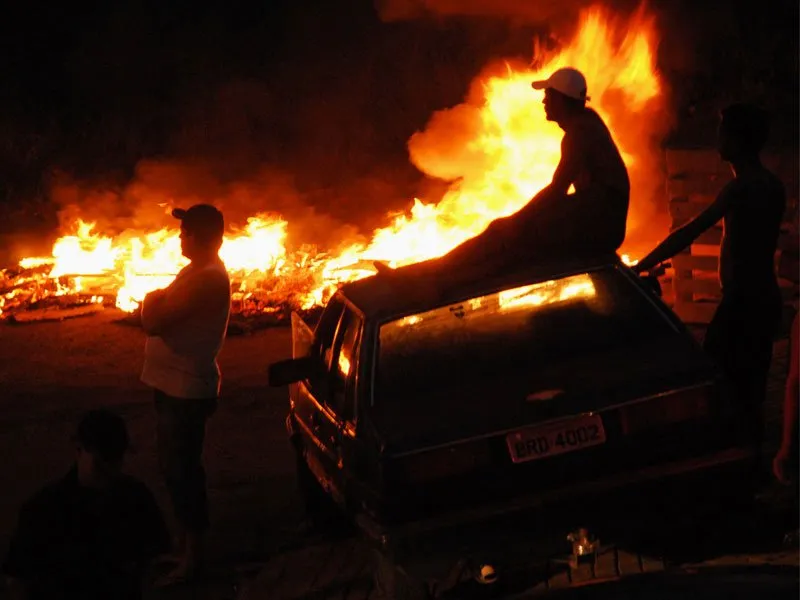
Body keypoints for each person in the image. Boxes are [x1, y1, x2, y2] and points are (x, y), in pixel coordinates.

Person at [635, 103, 786, 472]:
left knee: (717, 378)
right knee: (752, 382)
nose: (716, 139)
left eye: (723, 132)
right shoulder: (771, 186)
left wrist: (640, 265)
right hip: (763, 298)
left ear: (737, 140)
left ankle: (733, 465)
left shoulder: (741, 188)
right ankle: (751, 462)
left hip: (742, 302)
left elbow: (691, 230)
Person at [385, 67, 630, 282]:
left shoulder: (579, 133)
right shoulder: (586, 124)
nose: (544, 101)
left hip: (599, 229)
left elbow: (557, 191)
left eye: (548, 95)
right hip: (598, 223)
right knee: (505, 234)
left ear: (562, 100)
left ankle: (432, 279)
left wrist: (519, 220)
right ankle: (429, 274)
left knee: (506, 238)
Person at [140, 203, 231, 585]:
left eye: (184, 232)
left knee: (184, 474)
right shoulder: (196, 271)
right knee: (174, 471)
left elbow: (153, 320)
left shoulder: (206, 278)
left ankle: (194, 562)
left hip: (186, 390)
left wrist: (149, 299)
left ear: (200, 237)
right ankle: (185, 551)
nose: (179, 237)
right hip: (173, 386)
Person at [2, 409, 170, 600]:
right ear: (78, 450)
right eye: (100, 465)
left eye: (114, 461)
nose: (109, 472)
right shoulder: (43, 510)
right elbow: (17, 578)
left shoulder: (137, 498)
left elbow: (150, 565)